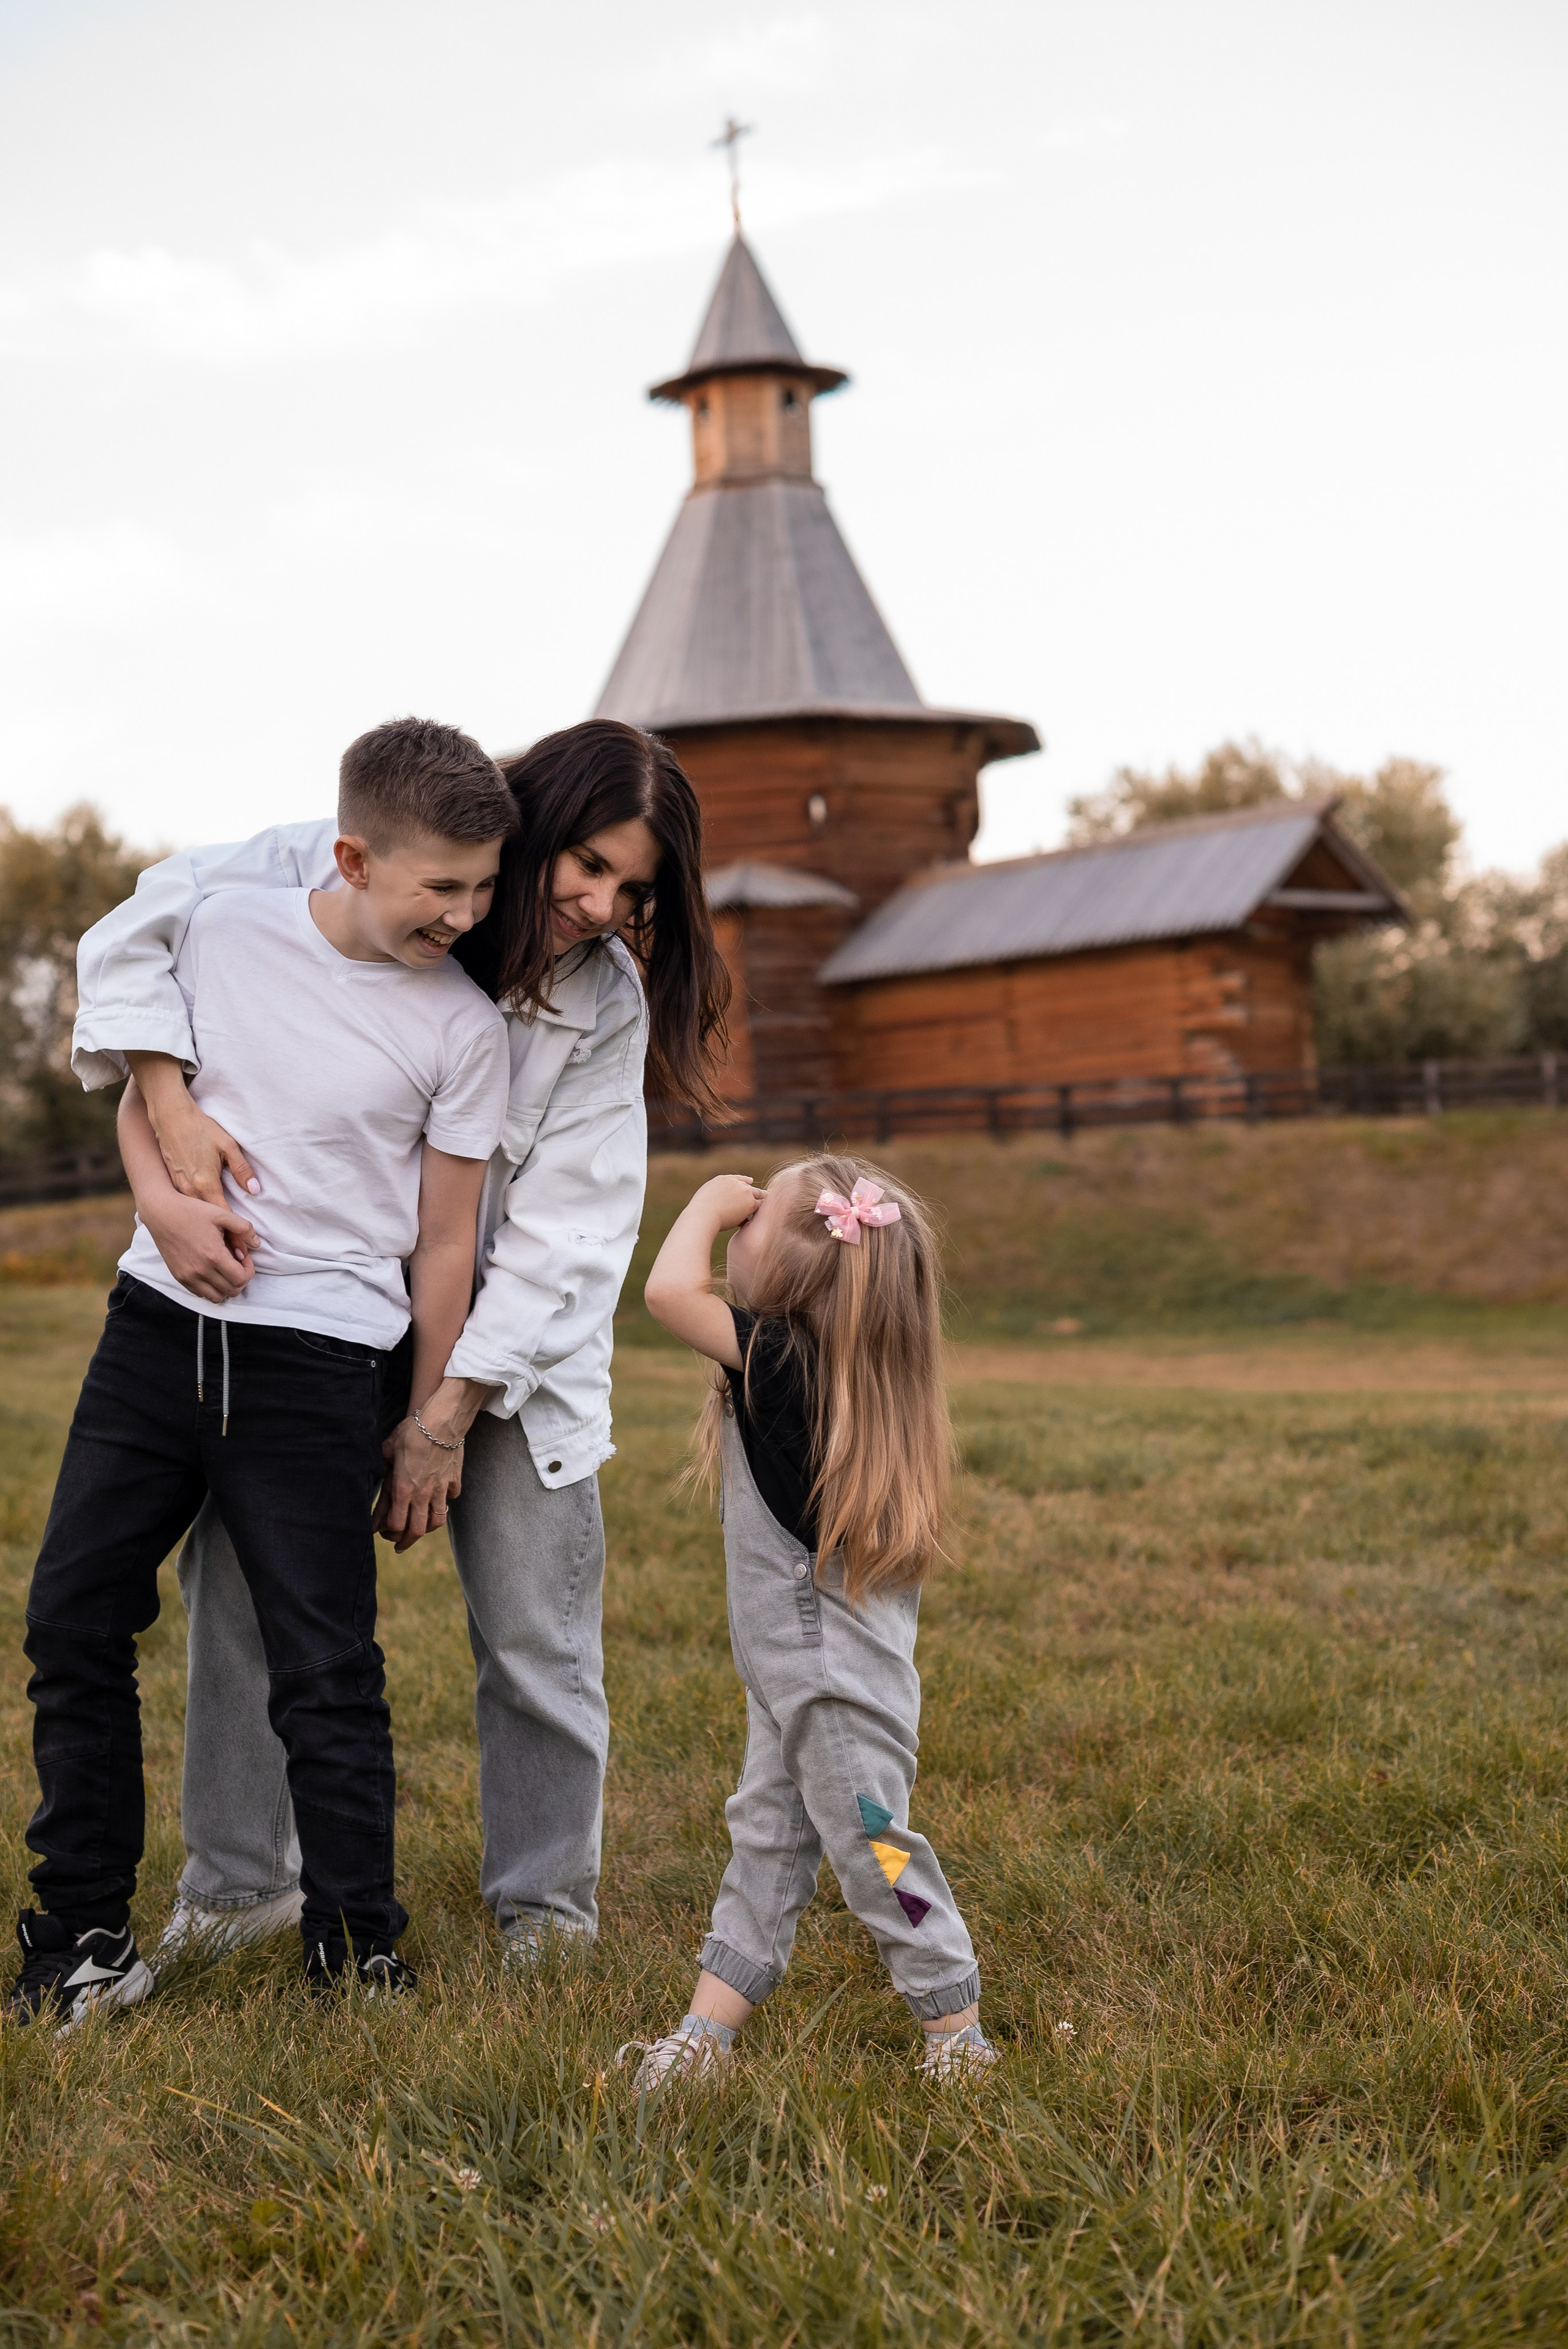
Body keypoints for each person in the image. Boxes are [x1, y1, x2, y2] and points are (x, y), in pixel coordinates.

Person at [68, 720, 729, 1970]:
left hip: (509, 1354)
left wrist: (443, 1414)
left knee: (534, 1631)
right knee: (242, 1604)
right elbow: (134, 935)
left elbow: (568, 1232)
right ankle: (239, 1890)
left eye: (635, 890)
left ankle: (545, 1912)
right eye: (587, 864)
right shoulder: (338, 865)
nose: (601, 907)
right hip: (308, 1315)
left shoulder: (600, 1000)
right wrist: (164, 1098)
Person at [9, 718, 516, 2025]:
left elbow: (446, 1245)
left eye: (482, 887)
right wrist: (161, 1206)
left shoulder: (464, 1032)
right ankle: (81, 1941)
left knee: (325, 1666)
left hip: (320, 1365)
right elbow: (149, 1089)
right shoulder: (224, 930)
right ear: (352, 857)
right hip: (152, 1329)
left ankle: (357, 1950)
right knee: (72, 1621)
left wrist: (428, 1421)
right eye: (440, 887)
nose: (465, 915)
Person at [623, 1155, 997, 2086]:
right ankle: (705, 2037)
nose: (736, 1221)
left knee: (878, 1852)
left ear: (796, 1263)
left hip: (827, 1687)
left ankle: (957, 2029)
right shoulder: (828, 1369)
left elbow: (669, 1294)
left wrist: (707, 1203)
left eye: (753, 1218)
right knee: (767, 1841)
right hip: (793, 1676)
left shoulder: (786, 1361)